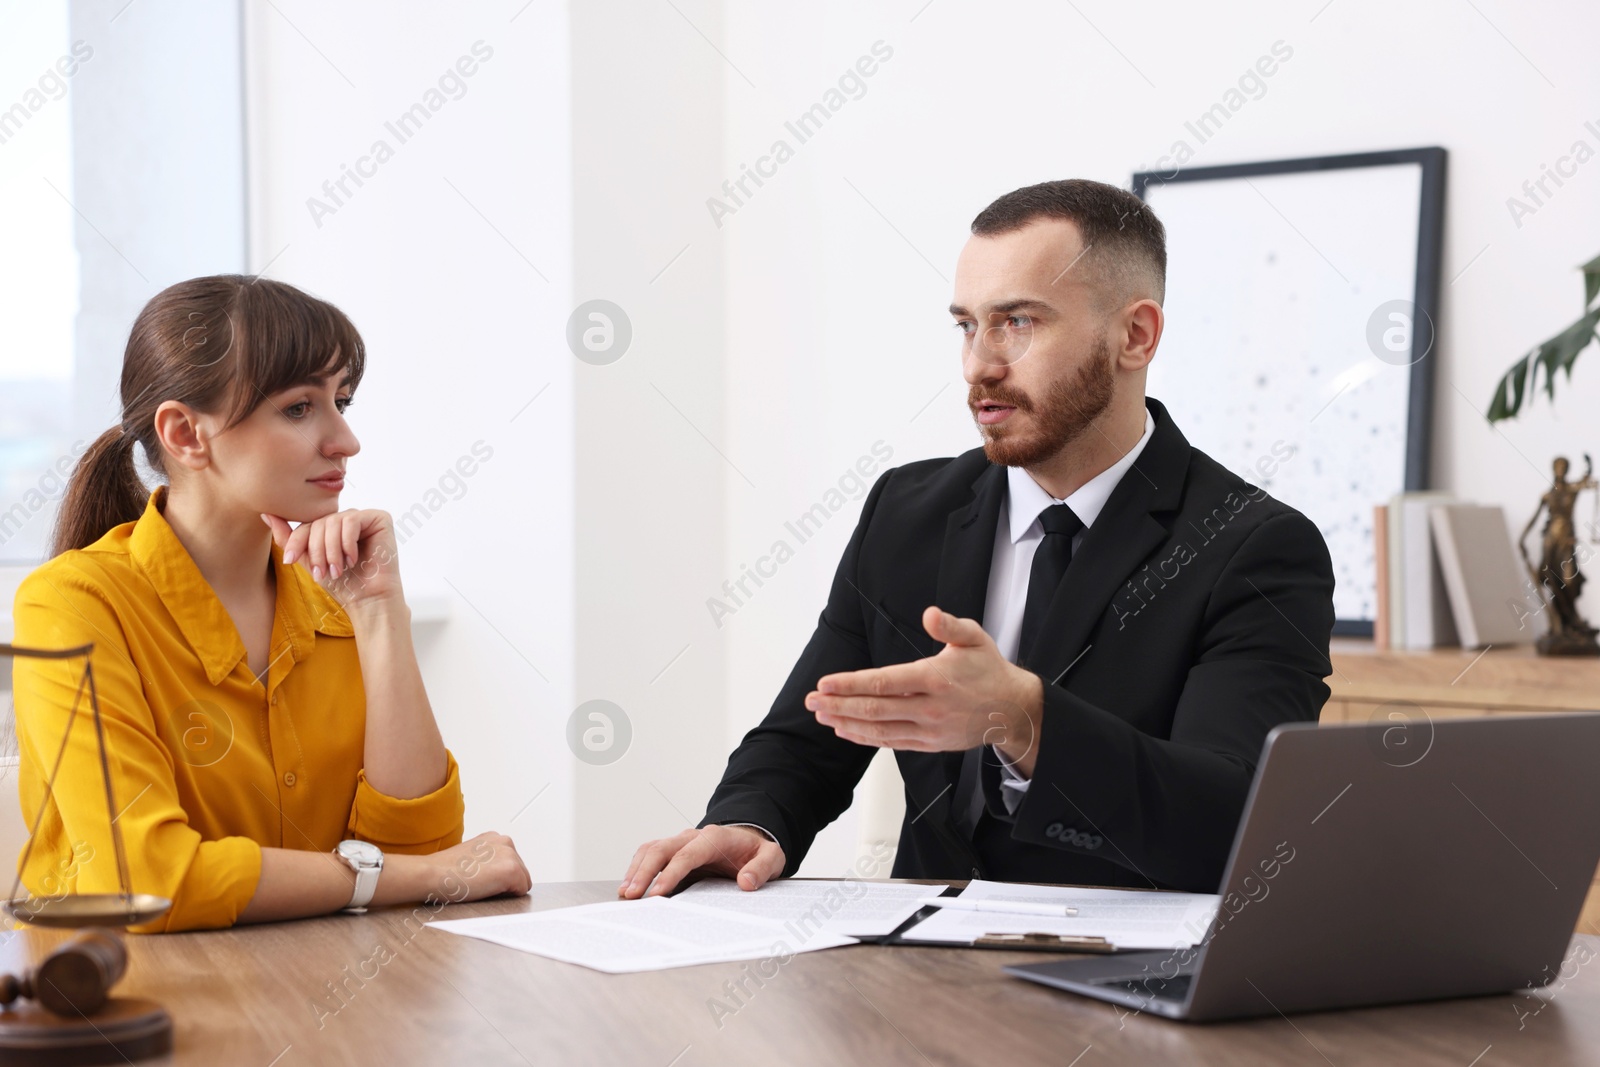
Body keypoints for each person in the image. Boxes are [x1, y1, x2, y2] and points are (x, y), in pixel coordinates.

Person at [621, 179, 1334, 900]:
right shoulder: (906, 511)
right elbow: (813, 729)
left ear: (1136, 335)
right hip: (914, 972)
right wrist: (755, 821)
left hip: (1120, 983)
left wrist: (1026, 720)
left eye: (1018, 323)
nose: (979, 365)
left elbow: (1231, 823)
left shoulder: (1256, 548)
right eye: (968, 325)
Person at [10, 275, 531, 932]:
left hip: (323, 997)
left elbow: (417, 848)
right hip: (126, 1009)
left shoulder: (338, 595)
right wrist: (418, 877)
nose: (345, 440)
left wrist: (378, 612)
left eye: (340, 401)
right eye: (298, 408)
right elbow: (145, 876)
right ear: (185, 433)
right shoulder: (72, 606)